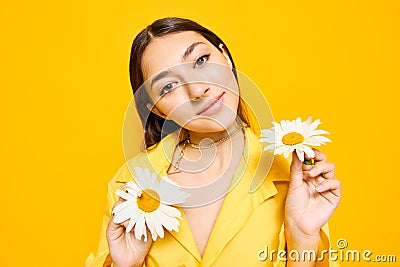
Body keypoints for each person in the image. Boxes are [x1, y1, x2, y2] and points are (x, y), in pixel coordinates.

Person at [86, 17, 341, 267]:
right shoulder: (130, 185)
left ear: (226, 58)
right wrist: (125, 265)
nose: (197, 90)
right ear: (158, 110)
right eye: (168, 86)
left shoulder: (294, 174)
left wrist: (302, 239)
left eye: (200, 60)